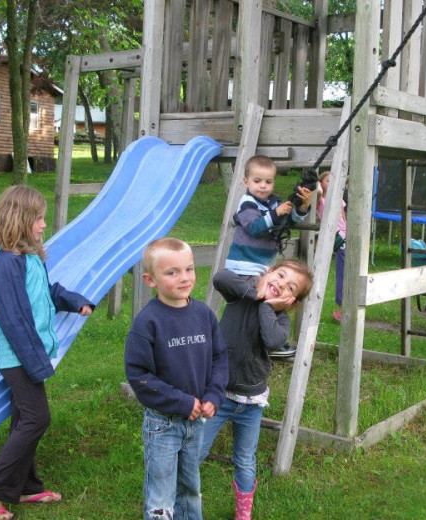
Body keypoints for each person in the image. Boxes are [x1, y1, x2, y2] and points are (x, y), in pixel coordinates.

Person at [0, 185, 94, 520]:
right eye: (38, 218)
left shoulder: (28, 258)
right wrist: (37, 364)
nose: (43, 224)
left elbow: (46, 292)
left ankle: (26, 486)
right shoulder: (4, 266)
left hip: (29, 354)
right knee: (37, 417)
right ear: (19, 220)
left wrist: (74, 301)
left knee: (25, 417)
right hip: (17, 356)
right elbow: (14, 322)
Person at [200, 260, 314, 520]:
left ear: (292, 301)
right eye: (280, 275)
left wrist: (267, 306)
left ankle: (243, 513)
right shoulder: (240, 296)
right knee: (196, 450)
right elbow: (220, 277)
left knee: (244, 459)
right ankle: (178, 500)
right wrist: (256, 293)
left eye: (289, 287)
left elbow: (273, 341)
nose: (280, 284)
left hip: (251, 403)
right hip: (217, 396)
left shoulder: (280, 320)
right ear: (268, 272)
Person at [125, 237, 228, 520]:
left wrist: (213, 396)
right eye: (172, 272)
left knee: (190, 489)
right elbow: (138, 375)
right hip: (163, 424)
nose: (184, 278)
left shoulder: (204, 315)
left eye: (189, 269)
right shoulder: (147, 322)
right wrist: (181, 402)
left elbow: (220, 358)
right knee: (161, 496)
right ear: (150, 279)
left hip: (196, 422)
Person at [225, 155, 313, 276]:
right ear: (246, 182)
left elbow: (287, 222)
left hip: (263, 267)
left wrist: (302, 207)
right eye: (257, 181)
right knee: (254, 295)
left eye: (268, 181)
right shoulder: (247, 203)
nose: (263, 185)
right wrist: (276, 213)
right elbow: (254, 228)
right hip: (243, 266)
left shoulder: (274, 203)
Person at [316, 171, 347, 322]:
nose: (331, 183)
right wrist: (318, 189)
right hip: (337, 238)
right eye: (327, 180)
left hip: (346, 236)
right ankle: (341, 310)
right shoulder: (320, 200)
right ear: (321, 183)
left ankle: (344, 309)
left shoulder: (338, 198)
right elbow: (315, 197)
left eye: (333, 180)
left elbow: (343, 215)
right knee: (343, 272)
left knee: (349, 271)